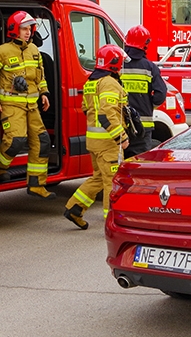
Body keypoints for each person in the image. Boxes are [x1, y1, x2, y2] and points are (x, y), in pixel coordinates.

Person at [0, 11, 54, 199]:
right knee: (15, 141)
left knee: (42, 142)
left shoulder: (34, 51)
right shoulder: (2, 51)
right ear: (14, 30)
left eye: (30, 29)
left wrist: (44, 94)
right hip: (11, 106)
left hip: (32, 106)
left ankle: (37, 184)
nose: (28, 32)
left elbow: (40, 77)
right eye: (24, 28)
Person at [64, 44, 129, 230]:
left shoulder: (91, 82)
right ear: (114, 63)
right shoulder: (109, 82)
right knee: (113, 180)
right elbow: (107, 113)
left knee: (99, 178)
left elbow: (87, 109)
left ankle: (74, 208)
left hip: (94, 141)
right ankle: (113, 222)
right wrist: (121, 137)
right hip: (108, 142)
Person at [120, 25, 167, 158]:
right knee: (139, 164)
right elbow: (160, 94)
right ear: (145, 45)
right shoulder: (150, 67)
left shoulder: (118, 65)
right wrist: (148, 104)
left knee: (118, 166)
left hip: (120, 126)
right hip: (143, 126)